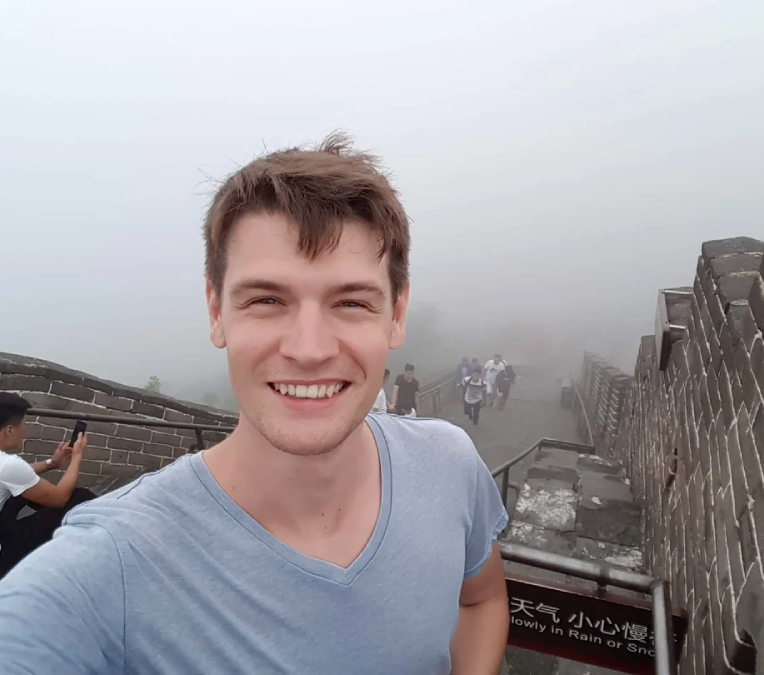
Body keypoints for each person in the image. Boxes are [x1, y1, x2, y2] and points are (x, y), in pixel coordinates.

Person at [0, 134, 509, 675]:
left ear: (397, 313)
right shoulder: (109, 567)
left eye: (352, 302)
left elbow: (479, 600)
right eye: (267, 300)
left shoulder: (449, 463)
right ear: (216, 311)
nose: (309, 350)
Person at [0, 393, 95, 578]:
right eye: (22, 425)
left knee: (21, 492)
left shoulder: (6, 466)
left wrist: (53, 463)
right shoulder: (7, 464)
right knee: (79, 498)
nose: (24, 431)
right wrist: (77, 457)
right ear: (9, 429)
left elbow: (17, 475)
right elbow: (59, 499)